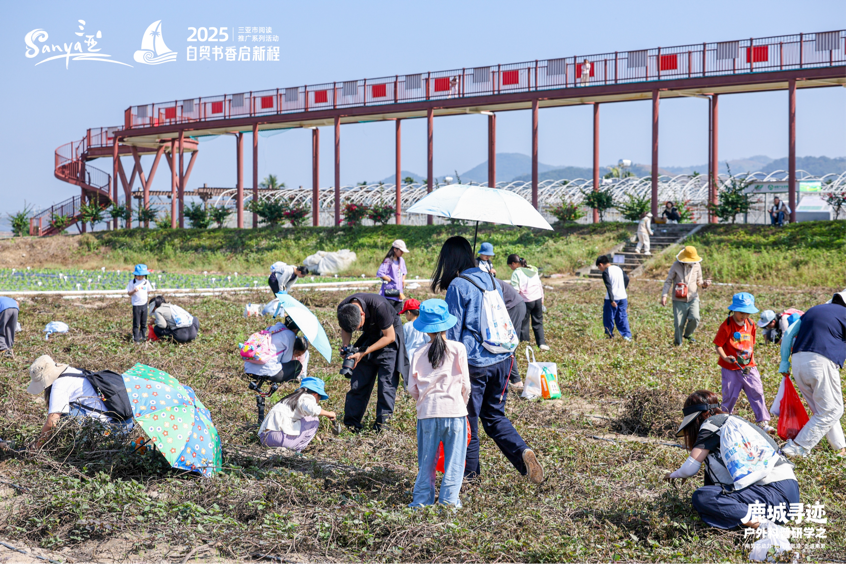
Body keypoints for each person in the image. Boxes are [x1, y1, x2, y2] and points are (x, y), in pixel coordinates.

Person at [432, 236, 543, 484]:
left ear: (449, 259)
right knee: (494, 416)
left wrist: (444, 368)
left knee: (468, 422)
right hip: (502, 359)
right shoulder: (491, 278)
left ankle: (470, 478)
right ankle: (522, 452)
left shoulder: (458, 285)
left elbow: (452, 333)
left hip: (475, 364)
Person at [665, 390, 800, 530]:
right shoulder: (735, 424)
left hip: (773, 491)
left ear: (704, 414)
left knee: (703, 496)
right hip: (788, 496)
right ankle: (759, 523)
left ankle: (767, 527)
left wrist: (673, 474)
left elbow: (689, 469)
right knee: (710, 493)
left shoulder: (712, 423)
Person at [407, 299, 471, 508]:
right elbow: (466, 385)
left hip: (427, 413)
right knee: (454, 463)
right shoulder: (458, 349)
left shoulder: (418, 353)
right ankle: (448, 504)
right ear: (446, 324)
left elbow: (411, 388)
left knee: (426, 462)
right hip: (455, 411)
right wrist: (461, 404)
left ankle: (421, 502)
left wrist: (423, 402)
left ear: (426, 329)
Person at [778, 290, 846, 458]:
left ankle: (840, 448)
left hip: (798, 361)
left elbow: (788, 334)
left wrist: (784, 362)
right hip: (820, 361)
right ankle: (797, 447)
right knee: (832, 410)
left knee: (823, 410)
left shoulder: (813, 310)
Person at [27, 355, 134, 449]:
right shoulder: (74, 371)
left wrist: (37, 446)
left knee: (65, 413)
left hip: (108, 431)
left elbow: (52, 422)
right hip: (126, 425)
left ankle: (81, 445)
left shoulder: (59, 385)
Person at [337, 292, 408, 432]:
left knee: (386, 385)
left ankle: (382, 426)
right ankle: (351, 424)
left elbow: (390, 336)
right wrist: (346, 347)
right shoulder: (343, 308)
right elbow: (346, 329)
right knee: (359, 382)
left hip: (389, 337)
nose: (357, 330)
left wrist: (364, 352)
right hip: (369, 336)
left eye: (358, 327)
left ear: (362, 314)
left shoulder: (379, 306)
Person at [713, 293, 774, 433]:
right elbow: (718, 345)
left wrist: (750, 360)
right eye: (741, 312)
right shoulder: (727, 325)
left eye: (747, 313)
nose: (744, 316)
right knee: (729, 395)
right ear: (734, 310)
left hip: (749, 367)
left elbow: (751, 343)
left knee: (757, 391)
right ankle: (724, 422)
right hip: (730, 368)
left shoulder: (751, 324)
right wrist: (725, 357)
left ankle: (763, 422)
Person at [258, 377, 336, 451]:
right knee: (314, 419)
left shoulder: (290, 399)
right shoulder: (306, 397)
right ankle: (297, 450)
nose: (318, 401)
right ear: (315, 394)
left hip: (265, 439)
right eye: (319, 398)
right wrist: (328, 414)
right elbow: (312, 409)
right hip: (280, 439)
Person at [661, 246, 712, 346]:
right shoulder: (676, 265)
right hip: (678, 299)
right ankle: (678, 344)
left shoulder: (697, 265)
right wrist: (664, 295)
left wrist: (705, 284)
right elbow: (668, 281)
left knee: (695, 318)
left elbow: (699, 281)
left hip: (693, 297)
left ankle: (688, 335)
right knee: (679, 324)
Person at [508, 254, 548, 352]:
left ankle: (525, 346)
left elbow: (516, 291)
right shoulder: (533, 269)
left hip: (526, 301)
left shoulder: (517, 273)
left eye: (510, 266)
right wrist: (542, 298)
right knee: (538, 322)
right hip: (537, 299)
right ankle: (542, 344)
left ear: (513, 263)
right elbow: (539, 285)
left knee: (523, 324)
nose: (510, 268)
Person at [244, 317, 302, 384]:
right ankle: (278, 385)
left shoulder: (270, 328)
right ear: (296, 329)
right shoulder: (290, 335)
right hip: (266, 375)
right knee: (297, 365)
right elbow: (286, 360)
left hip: (248, 370)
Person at [595, 256, 632, 341]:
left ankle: (610, 336)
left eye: (599, 267)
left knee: (609, 318)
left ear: (601, 264)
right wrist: (622, 289)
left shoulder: (606, 272)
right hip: (623, 297)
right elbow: (627, 279)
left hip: (611, 299)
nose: (600, 269)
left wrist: (612, 300)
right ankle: (627, 336)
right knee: (622, 317)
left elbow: (609, 286)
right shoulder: (618, 268)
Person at [499, 278, 526, 390]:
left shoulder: (486, 280)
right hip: (516, 305)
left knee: (507, 345)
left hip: (513, 307)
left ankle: (516, 381)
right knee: (508, 344)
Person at [377, 239, 409, 314]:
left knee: (397, 314)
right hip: (390, 293)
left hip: (399, 293)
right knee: (389, 315)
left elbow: (404, 272)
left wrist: (403, 280)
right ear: (395, 249)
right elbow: (380, 273)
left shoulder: (401, 260)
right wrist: (389, 280)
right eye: (401, 251)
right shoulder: (388, 261)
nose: (402, 253)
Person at [126, 264, 153, 343]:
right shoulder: (132, 282)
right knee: (136, 323)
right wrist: (134, 291)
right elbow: (129, 293)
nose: (140, 277)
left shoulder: (146, 282)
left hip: (144, 304)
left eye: (142, 276)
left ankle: (143, 336)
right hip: (136, 305)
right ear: (135, 275)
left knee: (144, 322)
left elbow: (149, 291)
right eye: (138, 276)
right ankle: (136, 338)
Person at [400, 298, 430, 367]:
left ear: (409, 313)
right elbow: (428, 339)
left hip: (409, 354)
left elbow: (403, 341)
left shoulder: (407, 326)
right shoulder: (423, 324)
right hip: (422, 353)